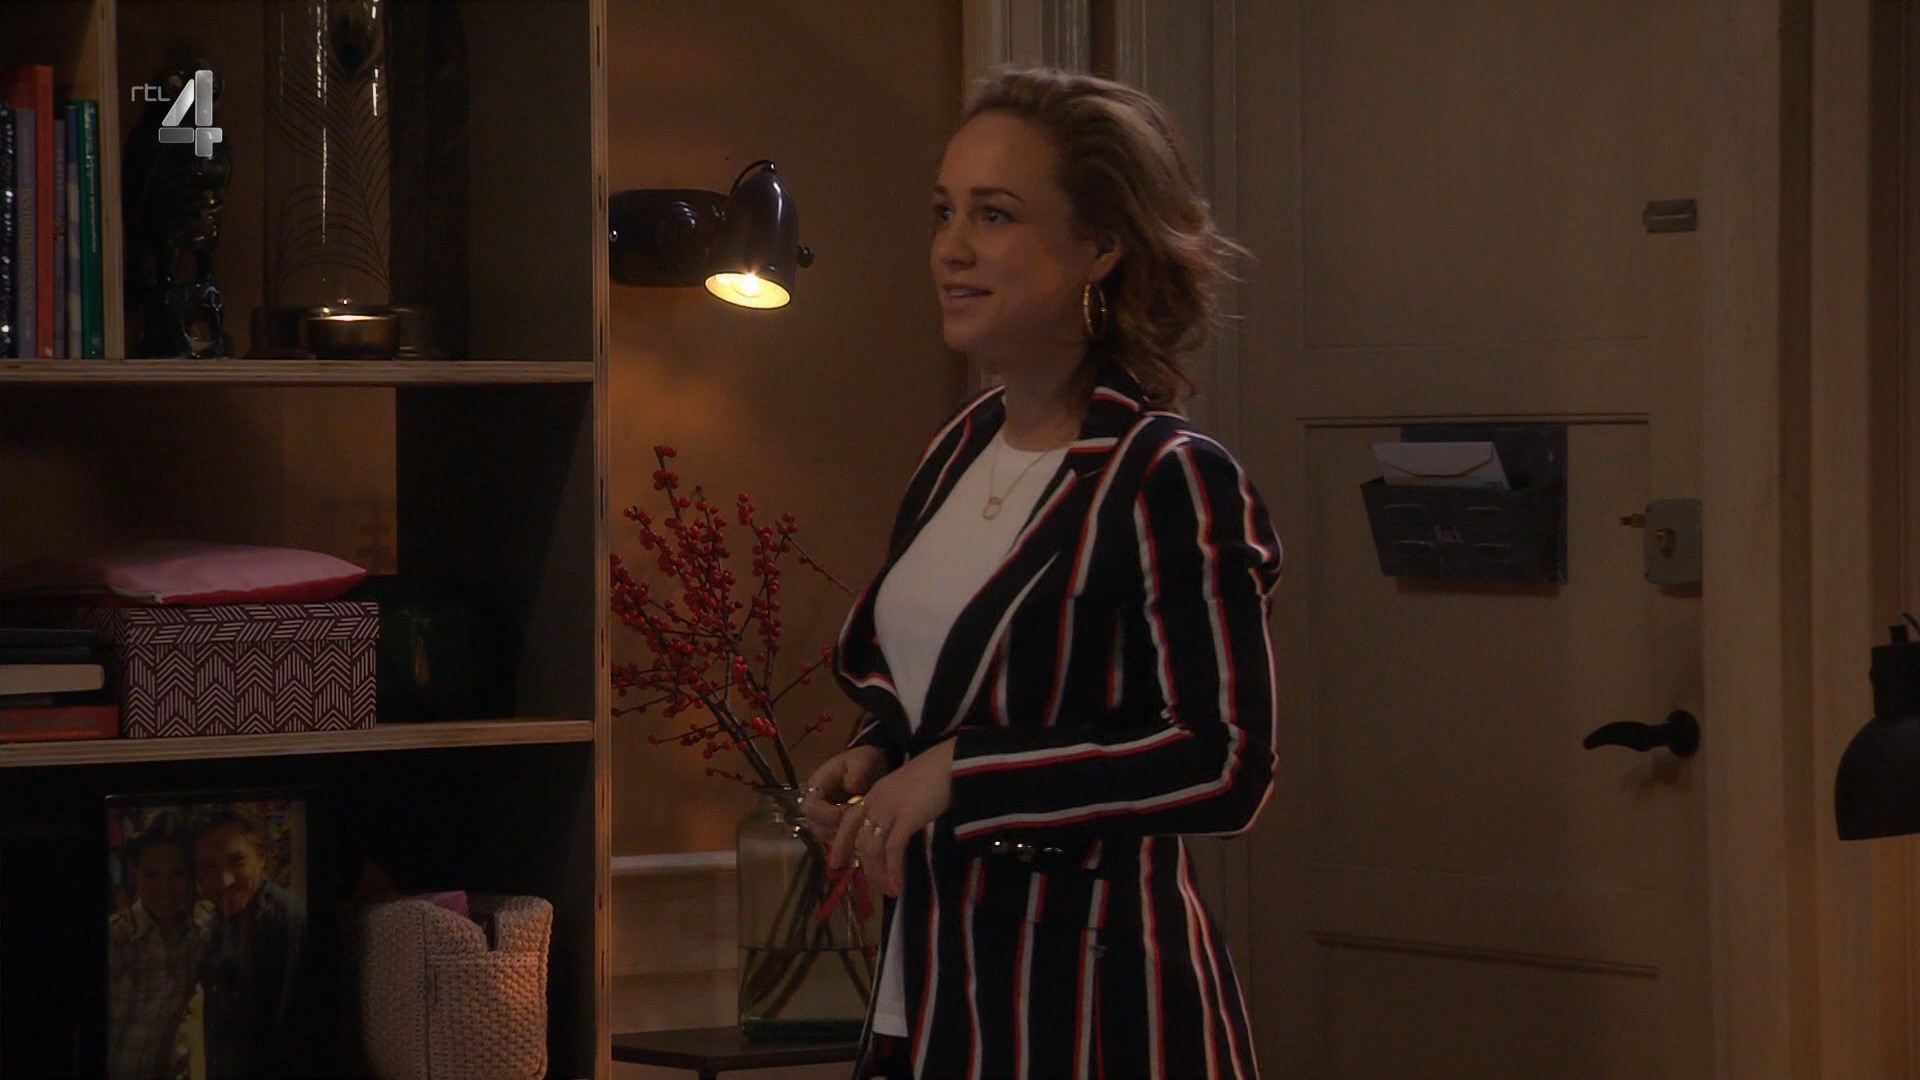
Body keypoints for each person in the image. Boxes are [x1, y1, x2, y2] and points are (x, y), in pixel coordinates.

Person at [802, 66, 1283, 1079]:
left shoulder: (1167, 475)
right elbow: (962, 687)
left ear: (1101, 245)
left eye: (996, 214)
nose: (952, 247)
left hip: (1091, 1004)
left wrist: (964, 772)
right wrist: (881, 754)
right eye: (944, 211)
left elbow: (1223, 757)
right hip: (934, 985)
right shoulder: (961, 446)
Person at [190, 804, 306, 1078]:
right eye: (209, 867)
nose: (224, 880)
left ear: (261, 857)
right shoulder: (222, 918)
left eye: (237, 861)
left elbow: (290, 1041)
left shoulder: (287, 924)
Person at [108, 807, 212, 1080]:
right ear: (135, 874)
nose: (164, 890)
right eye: (151, 875)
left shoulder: (199, 937)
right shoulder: (114, 939)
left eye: (177, 875)